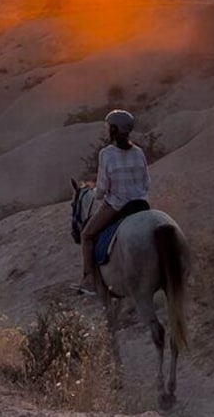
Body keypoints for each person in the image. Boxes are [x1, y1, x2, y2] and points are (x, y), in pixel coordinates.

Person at [79, 109, 150, 296]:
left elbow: (102, 189)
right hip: (141, 204)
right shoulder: (139, 152)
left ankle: (89, 281)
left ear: (113, 130)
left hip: (118, 206)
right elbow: (146, 182)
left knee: (86, 235)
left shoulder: (106, 154)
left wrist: (97, 193)